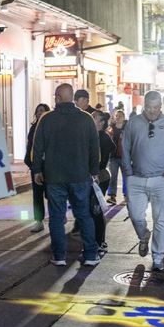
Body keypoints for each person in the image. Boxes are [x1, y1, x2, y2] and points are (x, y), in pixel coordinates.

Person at [31, 83, 100, 267]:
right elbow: (95, 148)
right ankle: (91, 255)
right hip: (80, 175)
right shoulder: (86, 119)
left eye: (55, 96)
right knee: (84, 215)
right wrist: (94, 171)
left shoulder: (46, 119)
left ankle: (59, 255)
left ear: (59, 98)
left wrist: (37, 169)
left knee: (56, 217)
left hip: (54, 177)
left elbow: (37, 148)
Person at [122, 90, 164, 271]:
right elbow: (124, 147)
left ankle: (158, 257)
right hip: (136, 179)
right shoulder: (133, 123)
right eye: (149, 107)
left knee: (161, 220)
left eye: (156, 108)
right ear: (144, 105)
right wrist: (128, 171)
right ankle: (143, 236)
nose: (152, 111)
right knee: (135, 215)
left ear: (161, 106)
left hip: (161, 180)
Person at [92, 110, 116, 256]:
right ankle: (94, 241)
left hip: (100, 177)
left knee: (97, 210)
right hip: (92, 177)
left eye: (95, 118)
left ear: (101, 122)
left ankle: (100, 242)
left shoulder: (103, 137)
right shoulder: (90, 134)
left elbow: (111, 149)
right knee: (91, 211)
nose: (92, 119)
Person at [25, 103, 50, 233]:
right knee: (37, 194)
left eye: (42, 110)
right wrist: (29, 161)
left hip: (49, 166)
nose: (40, 113)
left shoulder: (51, 126)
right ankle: (39, 220)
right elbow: (30, 146)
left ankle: (57, 216)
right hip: (36, 165)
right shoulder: (33, 128)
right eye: (38, 111)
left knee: (51, 193)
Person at [107, 110, 128, 204]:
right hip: (113, 156)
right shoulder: (111, 128)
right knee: (113, 177)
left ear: (124, 117)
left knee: (126, 176)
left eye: (120, 116)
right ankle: (112, 196)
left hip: (124, 156)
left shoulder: (127, 128)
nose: (118, 117)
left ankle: (126, 195)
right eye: (116, 116)